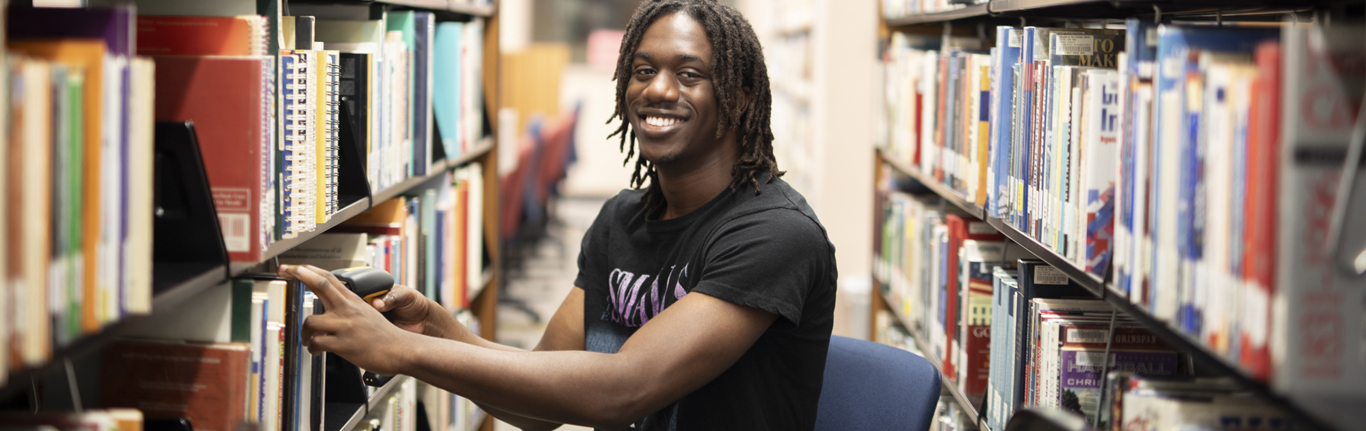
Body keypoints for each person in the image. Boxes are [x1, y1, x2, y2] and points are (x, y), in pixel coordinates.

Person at [280, 1, 837, 429]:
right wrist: (435, 329)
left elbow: (624, 390)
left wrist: (405, 351)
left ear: (738, 97)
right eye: (643, 70)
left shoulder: (776, 234)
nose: (658, 89)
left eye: (689, 75)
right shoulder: (621, 221)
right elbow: (541, 403)